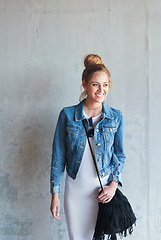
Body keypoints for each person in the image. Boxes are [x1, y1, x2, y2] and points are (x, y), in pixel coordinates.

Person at [50, 54, 126, 240]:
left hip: (103, 191)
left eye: (106, 84)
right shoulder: (67, 115)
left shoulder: (115, 117)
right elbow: (58, 157)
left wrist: (114, 185)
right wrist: (55, 194)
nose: (102, 90)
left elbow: (119, 155)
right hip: (75, 191)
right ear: (84, 84)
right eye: (95, 84)